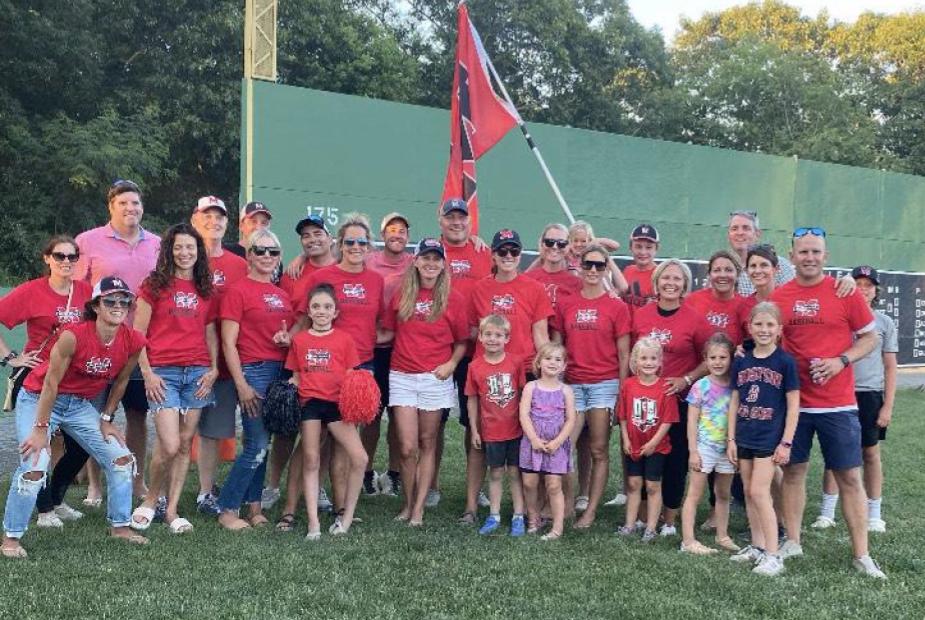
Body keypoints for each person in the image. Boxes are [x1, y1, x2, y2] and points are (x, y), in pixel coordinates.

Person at [1, 276, 148, 558]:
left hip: (80, 405)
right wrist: (41, 427)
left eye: (124, 301)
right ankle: (10, 538)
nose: (118, 306)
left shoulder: (134, 340)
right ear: (95, 305)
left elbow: (121, 381)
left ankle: (120, 527)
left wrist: (106, 418)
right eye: (110, 300)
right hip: (39, 399)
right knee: (34, 465)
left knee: (121, 458)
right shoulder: (73, 335)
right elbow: (50, 383)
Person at [770, 227, 885, 579]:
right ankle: (792, 540)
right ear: (792, 257)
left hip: (838, 403)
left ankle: (861, 554)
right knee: (794, 472)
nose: (809, 257)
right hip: (796, 404)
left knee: (849, 476)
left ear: (826, 256)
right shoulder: (780, 296)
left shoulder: (844, 291)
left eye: (815, 252)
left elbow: (869, 337)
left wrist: (841, 361)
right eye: (803, 252)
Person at [74, 179, 160, 500]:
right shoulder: (89, 241)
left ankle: (137, 482)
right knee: (96, 415)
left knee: (138, 415)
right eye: (123, 203)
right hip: (101, 342)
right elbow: (80, 290)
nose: (130, 208)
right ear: (111, 206)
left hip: (139, 345)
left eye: (135, 203)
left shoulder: (157, 243)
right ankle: (96, 485)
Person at [130, 224, 219, 534]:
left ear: (199, 252)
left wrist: (214, 367)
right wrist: (147, 373)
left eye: (190, 248)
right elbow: (137, 334)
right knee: (168, 444)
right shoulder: (153, 285)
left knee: (183, 444)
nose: (184, 253)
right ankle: (150, 500)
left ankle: (172, 511)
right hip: (163, 372)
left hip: (197, 372)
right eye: (178, 247)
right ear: (169, 250)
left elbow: (210, 332)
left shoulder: (206, 287)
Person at [294, 214, 385, 518]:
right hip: (323, 366)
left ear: (369, 245)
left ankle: (341, 505)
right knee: (315, 443)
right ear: (339, 244)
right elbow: (305, 318)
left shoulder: (376, 280)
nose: (356, 246)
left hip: (360, 367)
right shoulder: (324, 277)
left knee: (345, 441)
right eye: (350, 241)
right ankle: (297, 507)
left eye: (362, 242)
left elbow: (380, 324)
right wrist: (289, 338)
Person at [0, 236, 93, 527]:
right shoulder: (31, 291)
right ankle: (45, 512)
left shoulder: (86, 291)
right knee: (38, 445)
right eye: (59, 256)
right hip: (39, 379)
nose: (66, 261)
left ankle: (56, 499)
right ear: (47, 258)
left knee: (80, 446)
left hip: (76, 381)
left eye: (72, 256)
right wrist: (9, 357)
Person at [466, 228, 552, 520]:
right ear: (493, 255)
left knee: (527, 439)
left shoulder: (534, 288)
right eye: (502, 251)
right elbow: (474, 333)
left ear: (520, 254)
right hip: (487, 375)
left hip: (524, 372)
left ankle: (530, 507)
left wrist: (547, 370)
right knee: (479, 439)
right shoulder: (479, 289)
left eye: (514, 251)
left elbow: (540, 333)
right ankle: (472, 506)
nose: (508, 256)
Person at [380, 238, 467, 526]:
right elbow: (388, 333)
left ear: (443, 264)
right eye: (425, 258)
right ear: (415, 261)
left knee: (427, 441)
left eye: (436, 259)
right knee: (406, 446)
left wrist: (451, 364)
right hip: (402, 376)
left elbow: (462, 342)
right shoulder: (402, 293)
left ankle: (418, 509)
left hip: (435, 378)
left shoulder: (453, 298)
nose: (431, 264)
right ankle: (407, 502)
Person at [214, 229, 292, 530]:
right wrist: (242, 384)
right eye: (260, 251)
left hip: (279, 371)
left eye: (273, 252)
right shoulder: (238, 291)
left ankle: (254, 506)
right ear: (249, 255)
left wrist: (287, 339)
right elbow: (228, 343)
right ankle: (227, 509)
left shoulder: (282, 294)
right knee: (256, 444)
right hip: (254, 371)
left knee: (264, 443)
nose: (267, 257)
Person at [812, 266, 897, 533]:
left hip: (869, 393)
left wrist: (888, 405)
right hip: (839, 391)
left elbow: (890, 366)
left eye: (868, 285)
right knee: (835, 454)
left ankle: (874, 513)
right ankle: (827, 511)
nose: (862, 289)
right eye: (857, 283)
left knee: (870, 453)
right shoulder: (839, 316)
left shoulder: (883, 322)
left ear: (876, 291)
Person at [631, 259, 712, 535]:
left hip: (678, 402)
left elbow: (708, 360)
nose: (671, 283)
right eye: (666, 278)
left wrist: (686, 379)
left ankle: (669, 520)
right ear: (656, 281)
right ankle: (642, 515)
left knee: (676, 461)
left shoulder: (695, 318)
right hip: (644, 402)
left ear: (685, 285)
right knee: (643, 456)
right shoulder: (641, 315)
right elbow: (633, 354)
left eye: (677, 279)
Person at [554, 244, 631, 528]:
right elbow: (557, 345)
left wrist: (622, 391)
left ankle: (590, 512)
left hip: (604, 384)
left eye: (600, 265)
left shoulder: (616, 306)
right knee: (564, 447)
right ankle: (571, 501)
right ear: (581, 265)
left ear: (607, 268)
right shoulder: (566, 302)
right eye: (589, 264)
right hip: (573, 383)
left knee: (599, 449)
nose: (593, 270)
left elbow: (624, 354)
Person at [266, 213, 336, 512]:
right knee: (286, 427)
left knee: (326, 430)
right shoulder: (292, 272)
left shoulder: (344, 268)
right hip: (294, 358)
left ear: (330, 237)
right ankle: (272, 485)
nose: (312, 239)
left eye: (317, 233)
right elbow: (292, 315)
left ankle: (317, 487)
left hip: (330, 359)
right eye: (305, 236)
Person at [726, 302, 800, 576]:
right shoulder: (742, 360)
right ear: (749, 327)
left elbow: (794, 405)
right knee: (747, 492)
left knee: (759, 491)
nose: (764, 329)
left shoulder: (785, 362)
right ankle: (757, 546)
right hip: (745, 433)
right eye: (759, 324)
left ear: (779, 330)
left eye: (770, 325)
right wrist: (731, 438)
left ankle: (773, 553)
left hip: (769, 438)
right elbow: (734, 400)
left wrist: (787, 442)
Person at [288, 283, 366, 538]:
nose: (321, 311)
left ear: (335, 312)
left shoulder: (344, 340)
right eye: (316, 307)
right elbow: (296, 376)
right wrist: (285, 392)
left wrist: (358, 397)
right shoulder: (299, 341)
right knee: (311, 459)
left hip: (336, 404)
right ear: (309, 312)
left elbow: (351, 375)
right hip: (310, 404)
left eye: (327, 307)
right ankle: (313, 523)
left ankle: (346, 518)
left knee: (360, 458)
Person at [190, 196, 248, 515]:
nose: (214, 221)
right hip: (195, 360)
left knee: (216, 428)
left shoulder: (240, 264)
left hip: (234, 361)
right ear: (195, 219)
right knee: (189, 432)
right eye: (207, 215)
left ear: (227, 222)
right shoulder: (185, 259)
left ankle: (242, 490)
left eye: (219, 216)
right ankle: (204, 491)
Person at [438, 198, 493, 519]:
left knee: (476, 423)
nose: (457, 222)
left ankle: (479, 489)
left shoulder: (484, 252)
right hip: (438, 350)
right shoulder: (431, 252)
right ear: (441, 220)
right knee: (434, 423)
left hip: (477, 353)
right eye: (451, 217)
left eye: (462, 217)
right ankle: (430, 487)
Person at [362, 212, 413, 497]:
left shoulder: (415, 264)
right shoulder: (369, 261)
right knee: (370, 415)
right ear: (383, 235)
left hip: (401, 350)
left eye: (402, 230)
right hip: (372, 351)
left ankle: (393, 474)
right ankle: (367, 473)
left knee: (398, 416)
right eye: (392, 229)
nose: (397, 234)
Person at [466, 314, 527, 536]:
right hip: (491, 431)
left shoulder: (516, 363)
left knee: (515, 472)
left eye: (498, 335)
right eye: (488, 334)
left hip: (515, 430)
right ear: (480, 337)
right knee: (495, 472)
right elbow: (472, 399)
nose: (493, 339)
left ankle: (519, 516)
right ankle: (494, 515)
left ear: (507, 338)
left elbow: (523, 394)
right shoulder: (475, 367)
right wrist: (474, 428)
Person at [680, 334, 738, 555]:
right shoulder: (700, 386)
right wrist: (693, 451)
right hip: (705, 447)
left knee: (723, 494)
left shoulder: (735, 386)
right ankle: (688, 540)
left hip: (727, 448)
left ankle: (722, 535)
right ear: (705, 359)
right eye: (712, 357)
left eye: (723, 357)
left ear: (731, 358)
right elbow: (692, 422)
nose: (718, 362)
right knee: (694, 493)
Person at [616, 337, 678, 542]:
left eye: (653, 358)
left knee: (652, 485)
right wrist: (625, 439)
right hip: (633, 444)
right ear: (635, 361)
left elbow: (668, 420)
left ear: (660, 361)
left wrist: (653, 443)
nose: (649, 362)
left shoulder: (665, 388)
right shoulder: (629, 385)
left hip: (656, 447)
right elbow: (623, 416)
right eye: (644, 358)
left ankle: (651, 527)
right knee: (634, 484)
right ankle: (630, 524)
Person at [519, 342, 576, 541]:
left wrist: (558, 441)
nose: (553, 362)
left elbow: (571, 419)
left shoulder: (566, 390)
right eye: (548, 358)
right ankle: (534, 518)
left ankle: (557, 527)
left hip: (556, 444)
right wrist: (534, 439)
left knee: (553, 484)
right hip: (532, 442)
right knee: (530, 482)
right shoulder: (530, 387)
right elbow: (524, 415)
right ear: (539, 362)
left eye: (558, 359)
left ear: (564, 366)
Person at [727, 211, 795, 295]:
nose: (740, 233)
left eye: (746, 228)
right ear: (728, 235)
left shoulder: (781, 264)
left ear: (757, 234)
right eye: (734, 229)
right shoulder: (723, 270)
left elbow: (792, 298)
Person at [685, 250, 745, 344]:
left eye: (729, 270)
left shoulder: (745, 306)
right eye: (717, 270)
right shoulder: (692, 301)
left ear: (738, 274)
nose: (722, 275)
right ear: (709, 274)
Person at [525, 223, 582, 313]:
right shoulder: (528, 279)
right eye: (549, 242)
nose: (555, 247)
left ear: (568, 246)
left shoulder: (576, 283)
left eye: (561, 243)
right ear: (542, 243)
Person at [565, 221, 626, 292]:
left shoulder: (595, 256)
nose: (579, 244)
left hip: (601, 293)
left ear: (590, 241)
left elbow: (615, 246)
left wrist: (596, 241)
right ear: (570, 241)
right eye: (575, 241)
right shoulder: (568, 257)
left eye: (583, 241)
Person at [621, 224, 659, 316]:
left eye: (649, 247)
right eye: (638, 246)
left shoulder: (661, 275)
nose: (643, 252)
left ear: (656, 248)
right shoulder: (627, 270)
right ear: (631, 247)